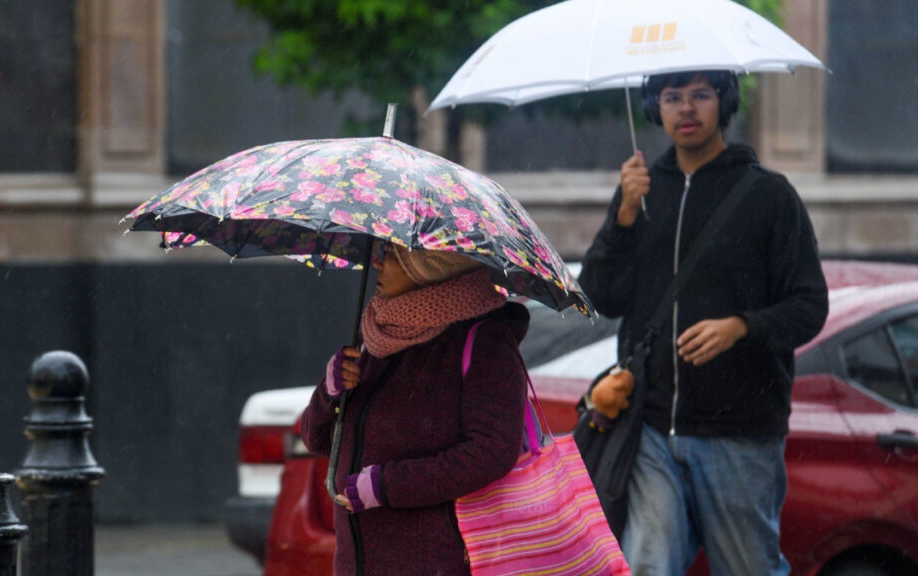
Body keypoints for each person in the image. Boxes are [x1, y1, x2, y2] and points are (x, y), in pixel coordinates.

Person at [578, 70, 829, 576]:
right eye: (672, 98)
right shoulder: (640, 192)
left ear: (724, 102)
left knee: (747, 568)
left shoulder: (769, 196)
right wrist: (623, 215)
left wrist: (741, 327)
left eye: (700, 95)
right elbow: (602, 297)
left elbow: (810, 305)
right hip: (647, 426)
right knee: (647, 563)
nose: (686, 109)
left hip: (739, 431)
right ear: (654, 108)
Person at [300, 242, 531, 576]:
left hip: (439, 563)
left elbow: (492, 452)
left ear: (432, 266)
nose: (377, 263)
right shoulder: (378, 337)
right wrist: (329, 392)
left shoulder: (484, 342)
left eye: (394, 255)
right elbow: (316, 441)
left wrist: (387, 485)